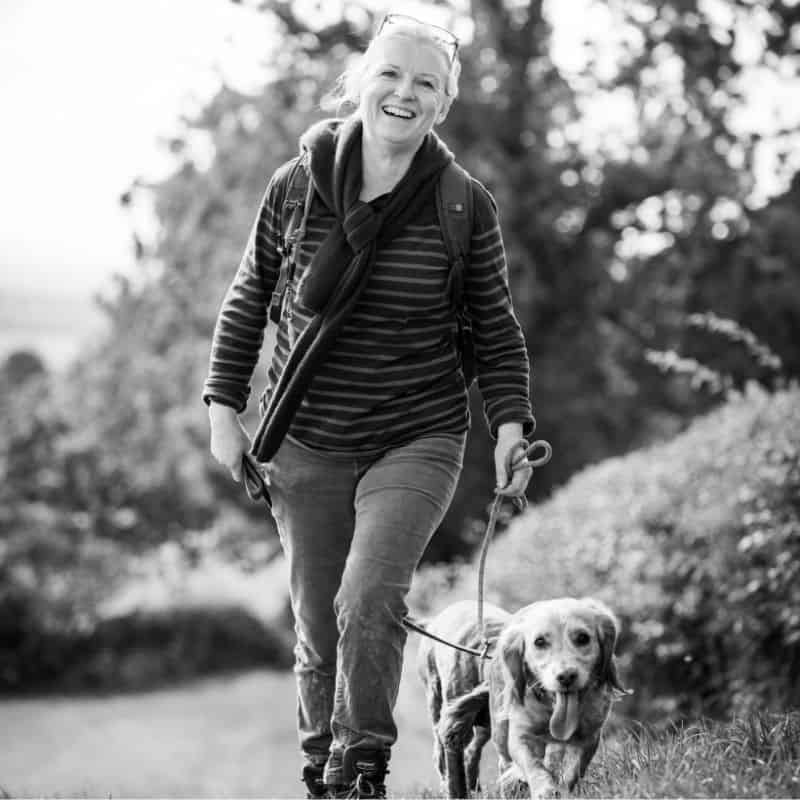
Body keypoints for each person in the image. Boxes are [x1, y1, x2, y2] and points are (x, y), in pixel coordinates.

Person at [203, 11, 535, 798]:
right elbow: (248, 296)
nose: (404, 92)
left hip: (416, 434)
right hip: (305, 437)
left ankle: (364, 763)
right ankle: (322, 768)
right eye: (390, 74)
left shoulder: (463, 204)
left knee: (368, 597)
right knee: (318, 625)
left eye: (426, 83)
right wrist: (224, 410)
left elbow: (497, 327)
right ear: (361, 83)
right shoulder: (296, 185)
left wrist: (512, 429)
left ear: (443, 105)